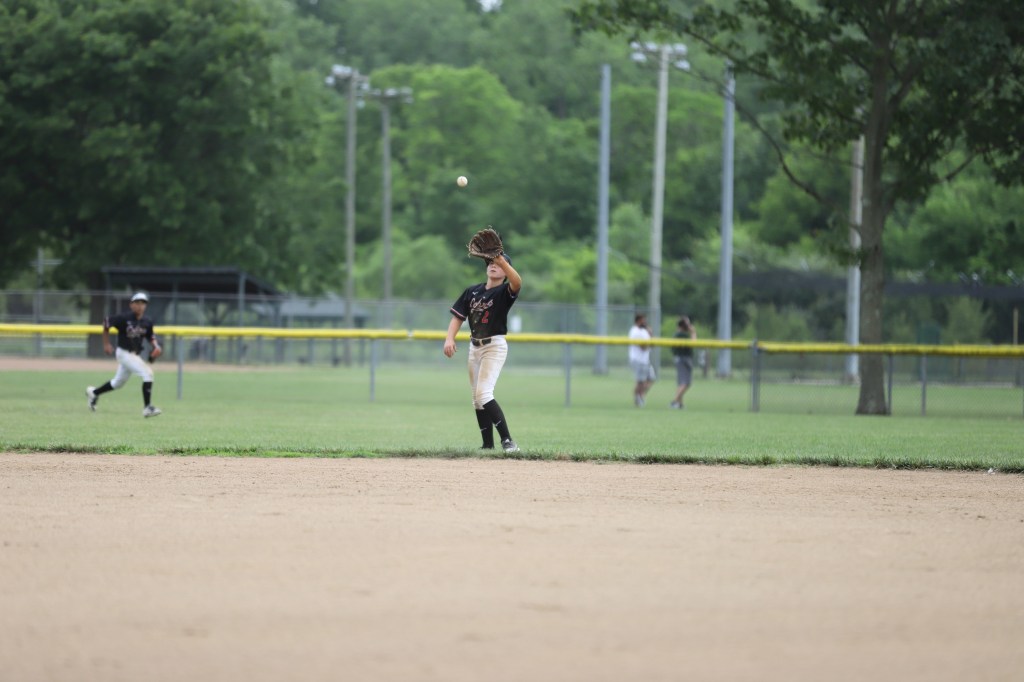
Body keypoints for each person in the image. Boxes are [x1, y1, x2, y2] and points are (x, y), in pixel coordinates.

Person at [443, 252, 522, 452]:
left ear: (506, 271)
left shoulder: (505, 292)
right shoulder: (472, 292)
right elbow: (458, 317)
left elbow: (517, 282)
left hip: (494, 346)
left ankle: (508, 441)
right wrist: (449, 338)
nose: (493, 265)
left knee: (484, 394)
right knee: (477, 399)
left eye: (498, 264)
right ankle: (487, 445)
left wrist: (502, 260)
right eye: (490, 262)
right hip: (474, 347)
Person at [86, 291, 163, 417]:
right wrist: (106, 344)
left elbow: (150, 336)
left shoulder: (147, 321)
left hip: (134, 355)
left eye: (143, 303)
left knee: (118, 383)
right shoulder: (124, 318)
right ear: (131, 305)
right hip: (124, 353)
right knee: (148, 373)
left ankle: (94, 392)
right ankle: (147, 408)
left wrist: (156, 346)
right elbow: (106, 323)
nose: (140, 305)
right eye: (137, 302)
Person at [628, 313, 655, 407]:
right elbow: (643, 347)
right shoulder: (635, 331)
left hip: (645, 360)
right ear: (638, 320)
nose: (645, 322)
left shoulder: (644, 331)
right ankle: (637, 398)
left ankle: (640, 396)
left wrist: (650, 334)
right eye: (643, 320)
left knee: (651, 378)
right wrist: (650, 343)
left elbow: (652, 344)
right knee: (641, 381)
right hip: (638, 359)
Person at [670, 316, 697, 409]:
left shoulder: (676, 334)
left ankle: (679, 403)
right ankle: (674, 401)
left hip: (679, 359)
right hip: (684, 359)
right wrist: (693, 332)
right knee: (686, 383)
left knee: (681, 382)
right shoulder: (682, 335)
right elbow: (693, 343)